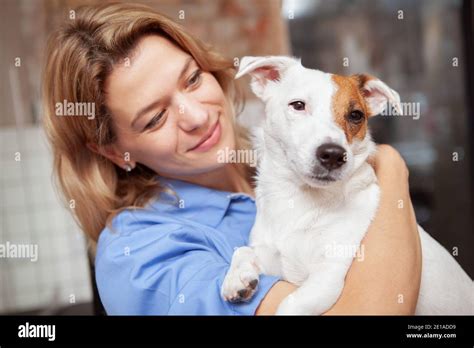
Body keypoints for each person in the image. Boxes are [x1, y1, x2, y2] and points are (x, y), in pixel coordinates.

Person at [42, 3, 421, 315]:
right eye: (155, 118)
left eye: (192, 79)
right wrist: (391, 168)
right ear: (113, 151)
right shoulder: (140, 254)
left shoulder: (279, 174)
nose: (197, 116)